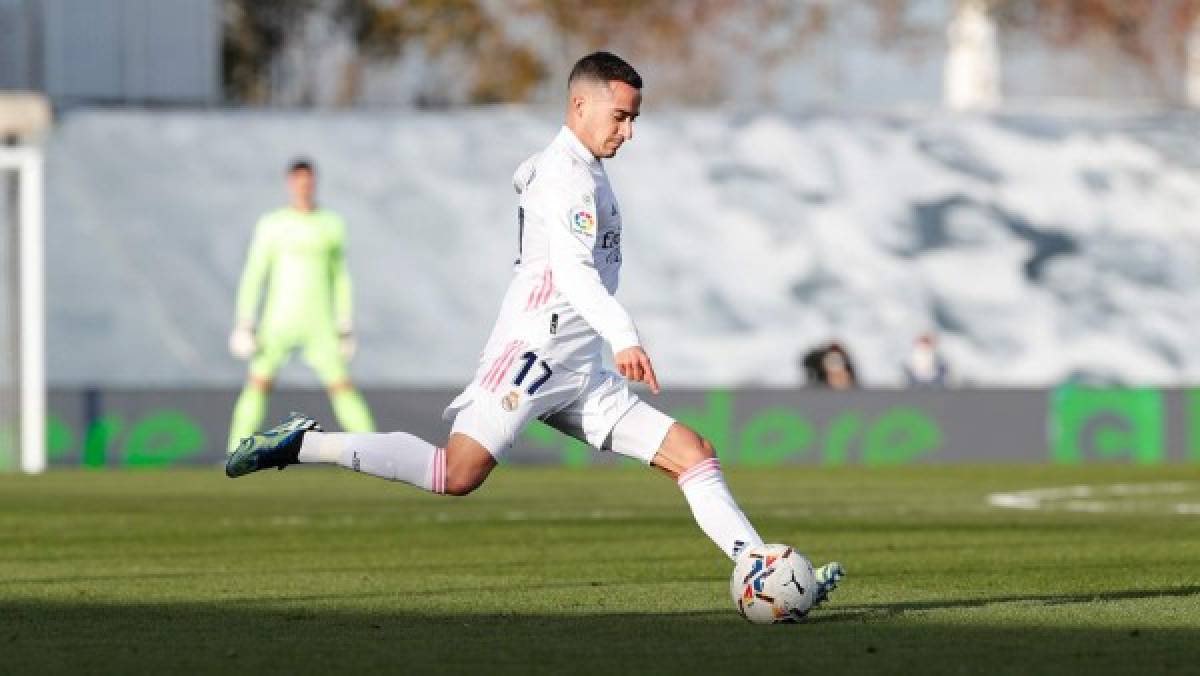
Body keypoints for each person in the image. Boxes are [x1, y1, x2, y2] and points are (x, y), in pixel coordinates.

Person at [224, 52, 842, 601]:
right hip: (535, 353)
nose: (628, 132)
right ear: (580, 104)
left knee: (693, 453)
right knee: (454, 475)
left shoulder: (571, 166)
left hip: (580, 368)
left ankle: (757, 564)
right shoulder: (568, 174)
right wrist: (623, 333)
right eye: (620, 117)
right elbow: (573, 272)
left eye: (634, 120)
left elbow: (534, 190)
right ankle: (302, 444)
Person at [226, 158, 375, 451]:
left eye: (308, 181)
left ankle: (373, 450)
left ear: (314, 183)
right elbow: (255, 274)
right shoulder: (273, 224)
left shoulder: (331, 224)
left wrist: (345, 324)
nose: (303, 187)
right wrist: (245, 321)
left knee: (342, 387)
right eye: (298, 181)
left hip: (319, 323)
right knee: (257, 384)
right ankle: (235, 451)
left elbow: (341, 278)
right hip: (278, 321)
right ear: (290, 183)